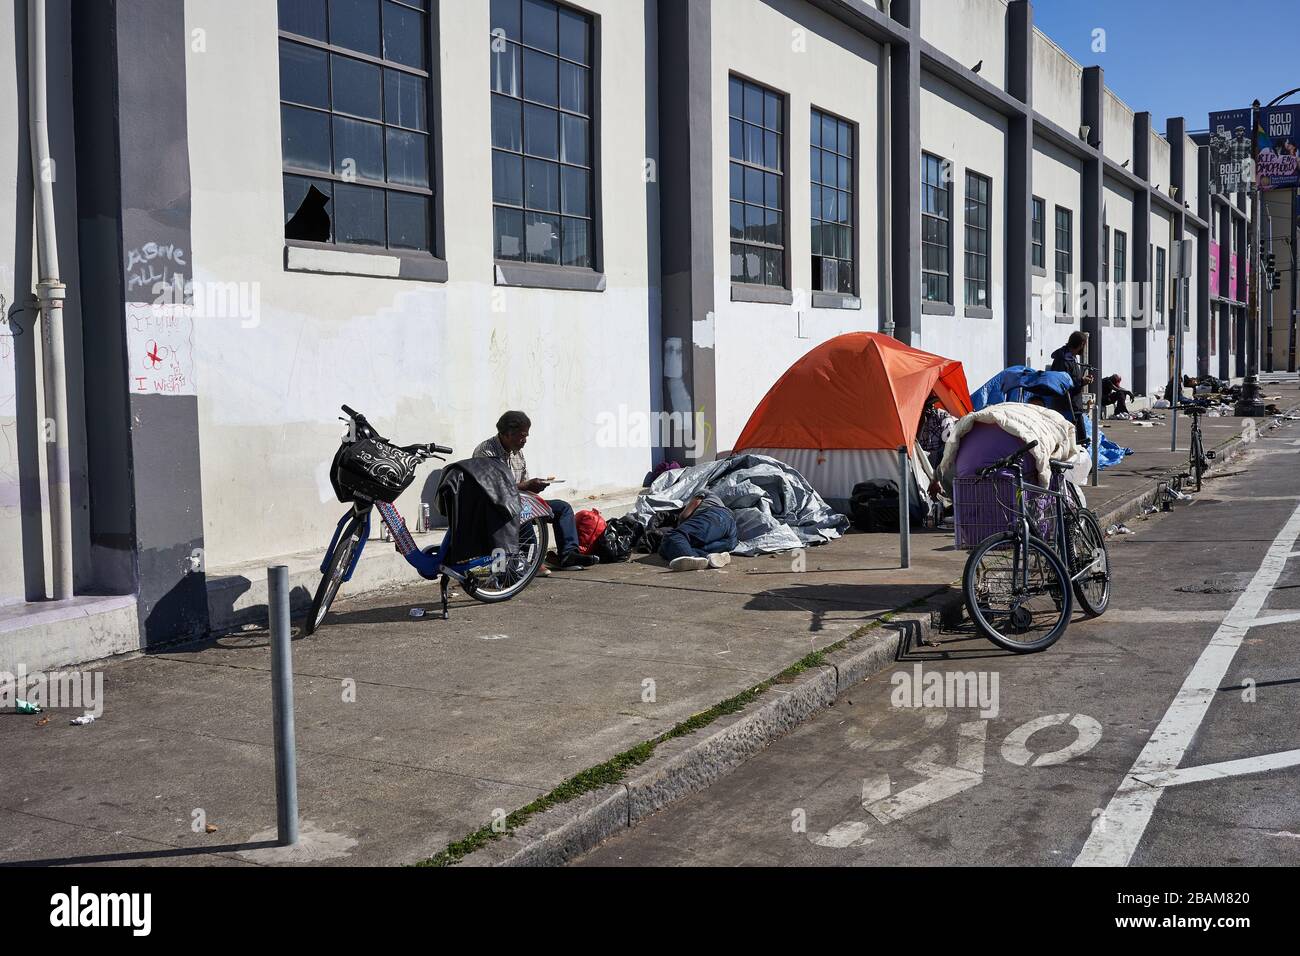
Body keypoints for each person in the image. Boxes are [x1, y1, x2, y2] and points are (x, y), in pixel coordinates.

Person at [474, 411, 598, 571]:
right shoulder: (486, 452)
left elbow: (523, 485)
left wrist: (535, 488)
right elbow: (491, 489)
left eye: (526, 436)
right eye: (522, 436)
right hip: (497, 508)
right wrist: (525, 487)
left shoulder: (517, 451)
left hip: (519, 501)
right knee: (523, 511)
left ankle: (568, 555)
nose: (525, 441)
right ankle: (533, 561)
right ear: (507, 434)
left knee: (562, 508)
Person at [659, 491, 738, 571]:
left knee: (674, 536)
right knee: (683, 545)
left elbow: (685, 514)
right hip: (731, 535)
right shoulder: (719, 503)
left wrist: (679, 524)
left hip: (715, 518)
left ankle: (694, 558)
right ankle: (715, 557)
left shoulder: (703, 492)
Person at [1050, 331, 1093, 445]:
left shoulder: (1070, 358)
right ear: (1081, 344)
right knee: (1077, 440)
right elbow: (1063, 382)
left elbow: (1071, 379)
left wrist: (1082, 381)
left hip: (1073, 404)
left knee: (1078, 439)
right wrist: (1082, 381)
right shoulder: (1064, 359)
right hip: (1068, 406)